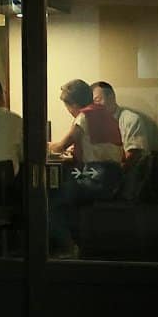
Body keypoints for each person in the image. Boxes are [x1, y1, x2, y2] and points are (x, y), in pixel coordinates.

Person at [47, 79, 123, 258]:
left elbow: (60, 146)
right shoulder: (106, 115)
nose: (69, 111)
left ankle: (68, 246)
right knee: (66, 193)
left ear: (73, 104)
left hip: (96, 176)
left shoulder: (84, 116)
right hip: (114, 177)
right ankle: (78, 243)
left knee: (50, 202)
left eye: (67, 106)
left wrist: (46, 145)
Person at [92, 81, 158, 202]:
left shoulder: (130, 119)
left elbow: (134, 156)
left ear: (111, 98)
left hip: (128, 182)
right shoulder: (99, 122)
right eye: (92, 103)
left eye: (97, 100)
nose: (95, 106)